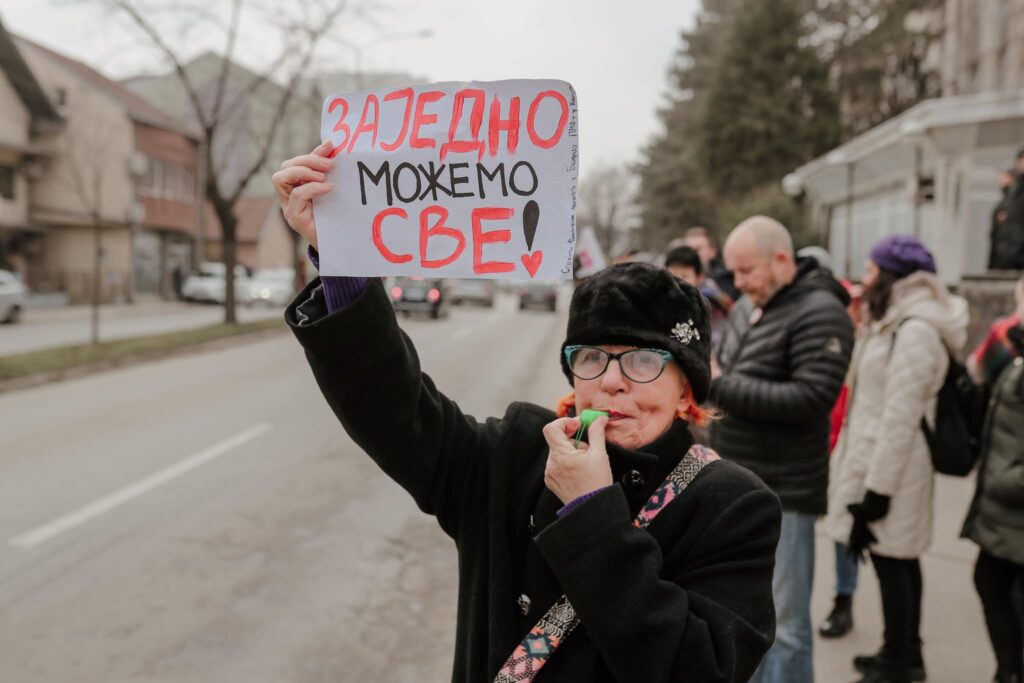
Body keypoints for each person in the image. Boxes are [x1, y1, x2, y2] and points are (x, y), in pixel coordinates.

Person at [272, 141, 782, 683]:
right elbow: (396, 410)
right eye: (592, 358)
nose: (612, 381)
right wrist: (343, 254)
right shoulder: (516, 455)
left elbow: (698, 670)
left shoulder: (734, 505)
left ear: (686, 392)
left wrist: (591, 510)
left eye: (643, 361)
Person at [709, 216, 855, 683]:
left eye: (746, 270)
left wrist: (719, 385)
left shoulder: (821, 312)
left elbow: (810, 398)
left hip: (785, 493)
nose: (738, 282)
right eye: (734, 271)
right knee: (746, 617)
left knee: (786, 625)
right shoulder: (748, 305)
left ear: (780, 260)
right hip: (740, 483)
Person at [823, 235, 969, 683]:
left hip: (896, 471)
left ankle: (899, 664)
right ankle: (902, 651)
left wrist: (877, 491)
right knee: (897, 562)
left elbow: (899, 419)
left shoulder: (916, 330)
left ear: (893, 276)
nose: (865, 279)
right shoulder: (894, 322)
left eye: (871, 270)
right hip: (881, 463)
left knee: (894, 565)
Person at [962, 274, 1024, 683]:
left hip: (1012, 494)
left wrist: (1006, 479)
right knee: (990, 583)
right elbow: (977, 372)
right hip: (1004, 504)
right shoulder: (1012, 342)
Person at [818, 276, 865, 640]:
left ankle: (844, 598)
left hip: (850, 448)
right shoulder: (819, 339)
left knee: (845, 531)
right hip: (821, 448)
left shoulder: (864, 344)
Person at [683, 226, 741, 300]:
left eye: (697, 250)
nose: (692, 255)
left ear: (712, 251)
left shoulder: (728, 279)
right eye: (688, 250)